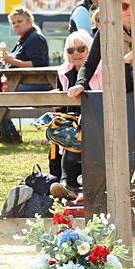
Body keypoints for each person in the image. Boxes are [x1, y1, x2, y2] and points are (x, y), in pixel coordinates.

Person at [50, 30, 95, 192]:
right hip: (71, 120)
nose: (76, 53)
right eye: (71, 50)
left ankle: (67, 183)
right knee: (63, 130)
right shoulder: (63, 72)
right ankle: (66, 182)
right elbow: (60, 105)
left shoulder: (99, 70)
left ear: (90, 49)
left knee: (75, 132)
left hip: (96, 119)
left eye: (81, 49)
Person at [0, 7, 50, 90]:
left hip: (34, 83)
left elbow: (36, 64)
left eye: (19, 21)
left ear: (29, 22)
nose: (16, 25)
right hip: (19, 82)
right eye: (13, 23)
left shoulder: (35, 38)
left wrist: (13, 61)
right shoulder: (24, 39)